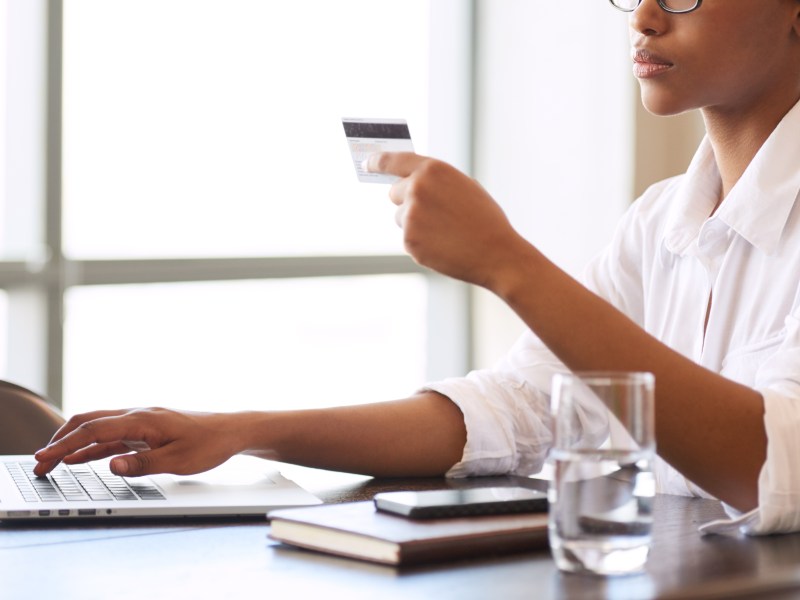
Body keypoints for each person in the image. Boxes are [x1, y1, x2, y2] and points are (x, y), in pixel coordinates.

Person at [35, 0, 800, 534]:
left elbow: (771, 467)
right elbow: (514, 409)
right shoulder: (660, 221)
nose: (642, 17)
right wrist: (235, 430)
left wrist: (506, 263)